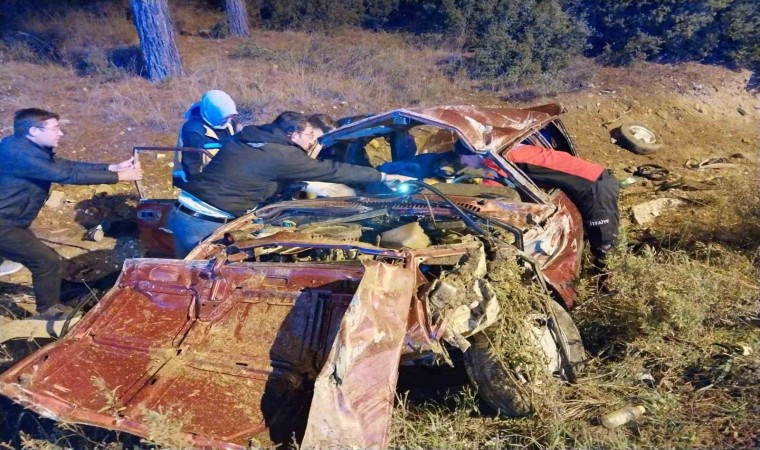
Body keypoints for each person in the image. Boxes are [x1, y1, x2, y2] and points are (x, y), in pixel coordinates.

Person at [169, 111, 413, 257]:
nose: (312, 141)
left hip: (182, 213)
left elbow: (257, 176)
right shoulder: (283, 155)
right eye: (309, 135)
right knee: (201, 281)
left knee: (184, 269)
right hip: (205, 224)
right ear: (293, 135)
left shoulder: (250, 137)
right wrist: (384, 177)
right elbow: (332, 171)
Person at [0, 108, 143, 319]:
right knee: (46, 261)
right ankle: (48, 312)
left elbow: (67, 165)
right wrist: (120, 177)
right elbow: (66, 175)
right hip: (5, 223)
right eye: (55, 128)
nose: (60, 133)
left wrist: (111, 167)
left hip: (13, 220)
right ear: (33, 131)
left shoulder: (26, 148)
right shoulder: (20, 155)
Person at [459, 142, 619, 290]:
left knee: (606, 248)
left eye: (463, 161)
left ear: (473, 154)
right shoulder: (511, 146)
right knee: (603, 242)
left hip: (594, 188)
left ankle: (613, 292)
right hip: (595, 180)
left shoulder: (497, 160)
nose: (464, 166)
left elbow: (490, 194)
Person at [173, 90, 238, 189]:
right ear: (213, 113)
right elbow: (191, 167)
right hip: (192, 179)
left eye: (230, 117)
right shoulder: (193, 131)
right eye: (225, 117)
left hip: (218, 175)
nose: (228, 120)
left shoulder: (227, 123)